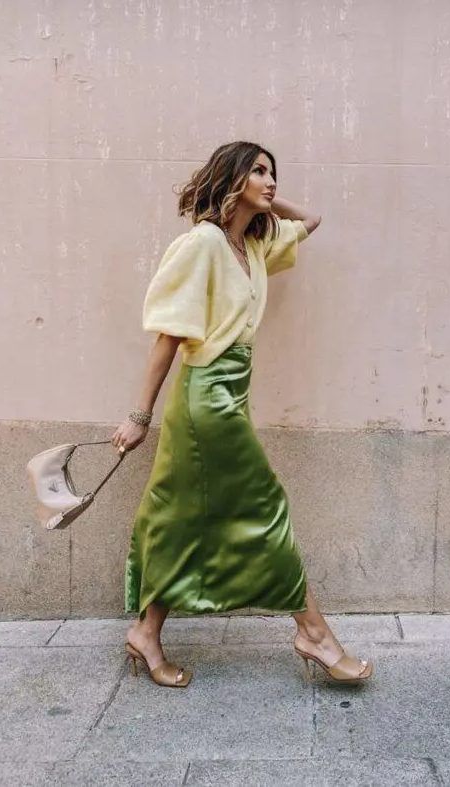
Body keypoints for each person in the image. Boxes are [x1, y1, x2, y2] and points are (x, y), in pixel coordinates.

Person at [111, 141, 374, 688]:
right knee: (264, 504)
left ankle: (146, 631)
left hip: (231, 393)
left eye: (273, 172)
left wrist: (266, 204)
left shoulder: (252, 246)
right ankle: (314, 634)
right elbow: (168, 336)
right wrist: (139, 415)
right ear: (231, 177)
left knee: (183, 516)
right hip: (206, 400)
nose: (271, 180)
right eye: (257, 170)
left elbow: (313, 219)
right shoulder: (203, 244)